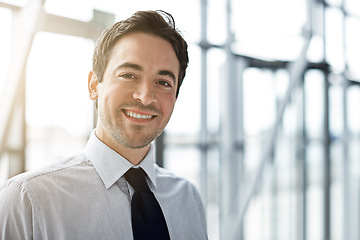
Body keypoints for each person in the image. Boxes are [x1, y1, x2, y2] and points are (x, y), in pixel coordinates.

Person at [0, 10, 208, 240]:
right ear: (93, 86)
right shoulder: (28, 201)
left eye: (163, 82)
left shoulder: (188, 199)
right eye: (129, 75)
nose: (146, 97)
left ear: (175, 98)